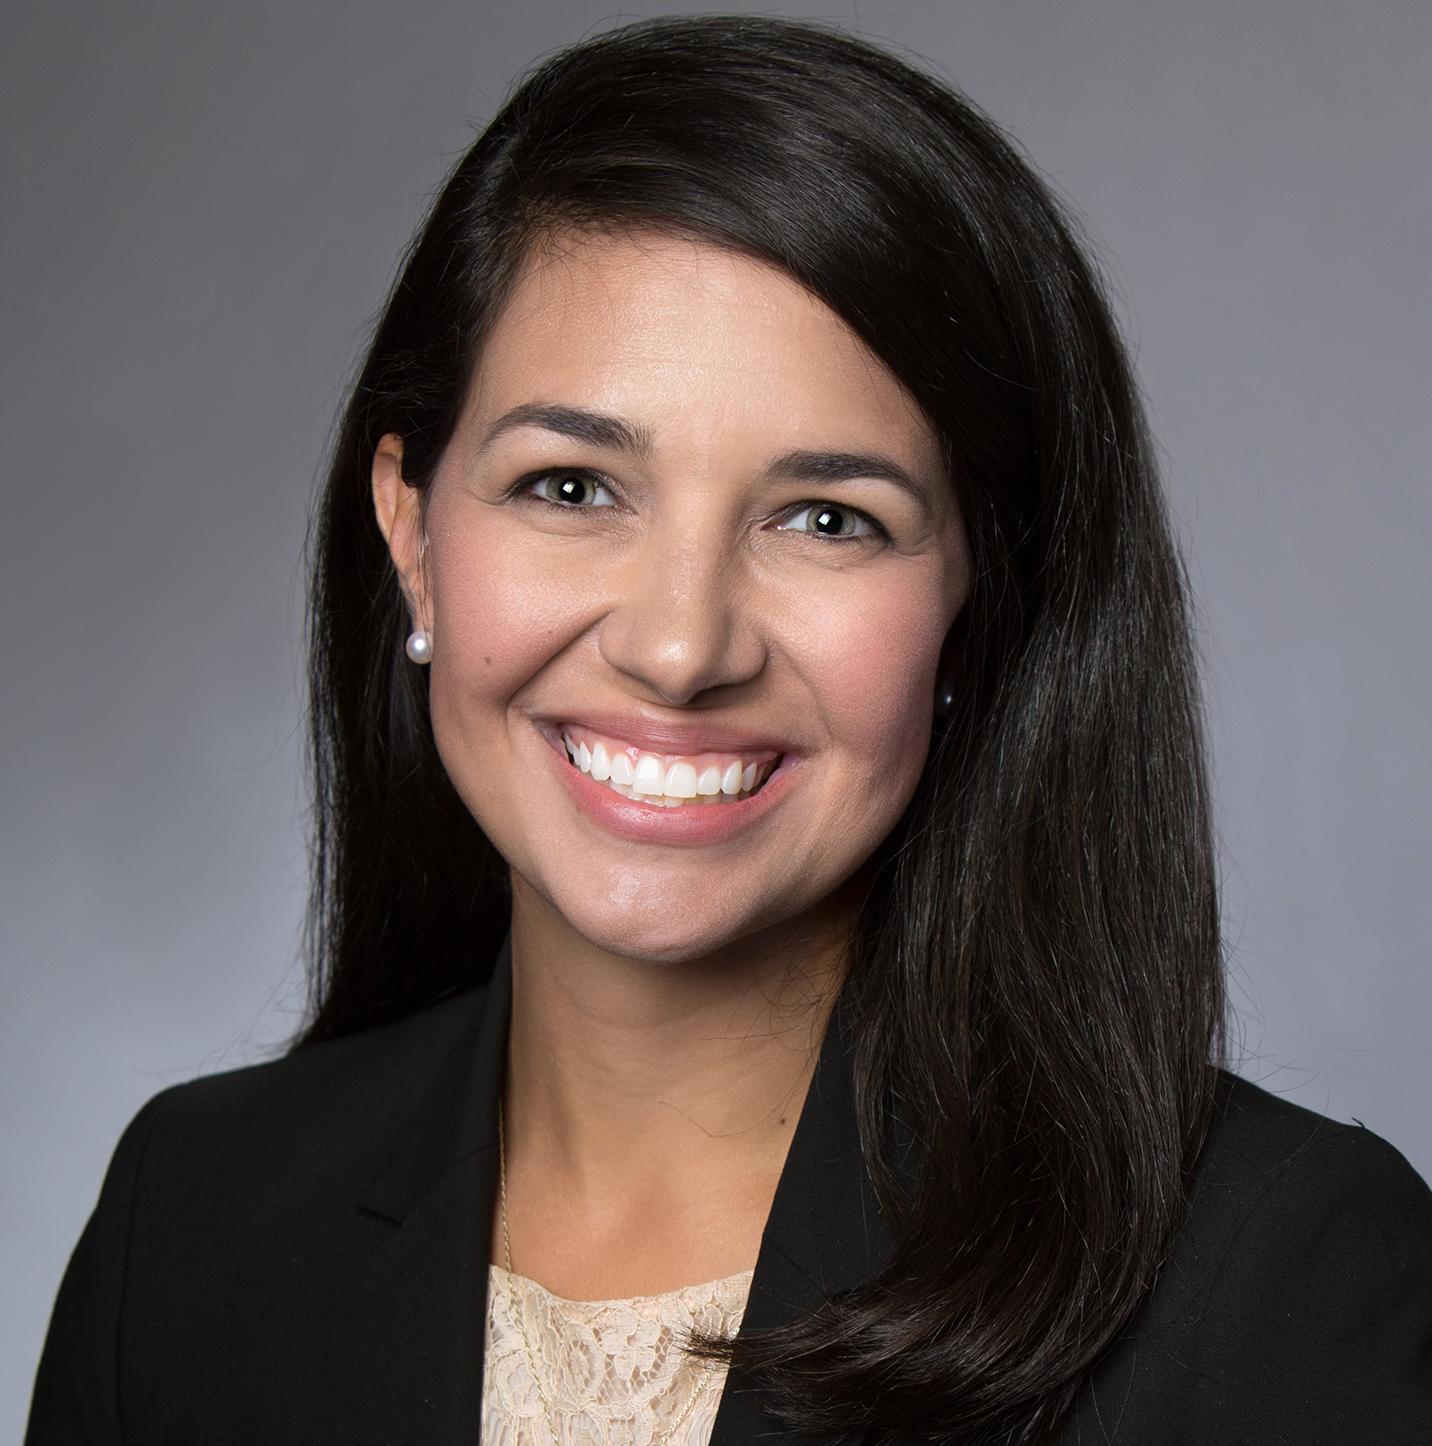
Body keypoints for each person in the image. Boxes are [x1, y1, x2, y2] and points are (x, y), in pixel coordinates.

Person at [25, 13, 1432, 1445]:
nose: (681, 645)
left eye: (829, 518)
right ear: (411, 532)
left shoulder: (1275, 1278)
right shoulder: (191, 1225)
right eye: (572, 488)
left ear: (979, 600)